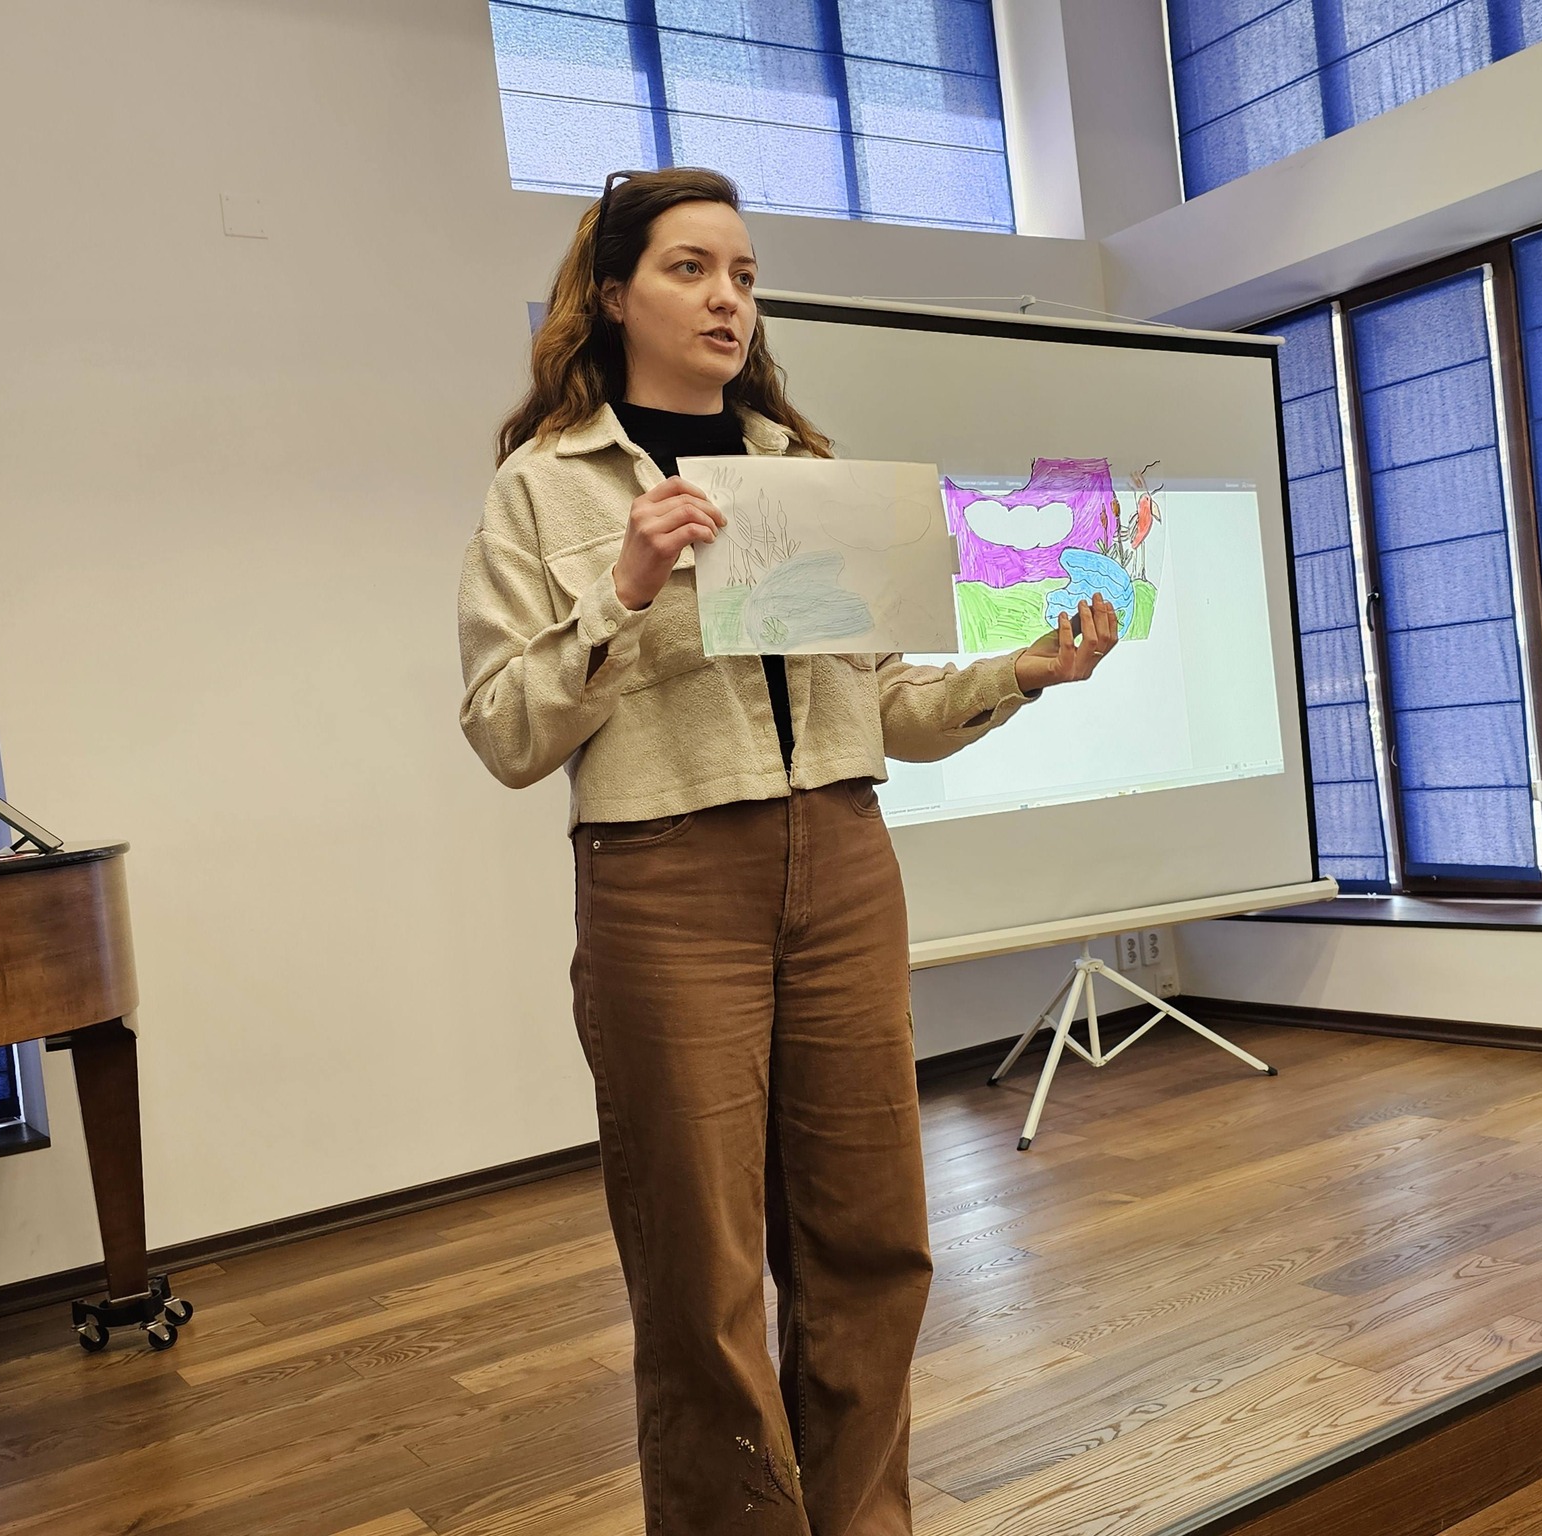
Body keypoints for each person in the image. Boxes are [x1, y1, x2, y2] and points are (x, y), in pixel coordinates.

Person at [456, 167, 1118, 1535]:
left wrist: (1020, 674)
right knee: (700, 1273)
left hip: (844, 864)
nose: (728, 300)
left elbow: (884, 710)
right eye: (692, 268)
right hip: (665, 879)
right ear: (613, 293)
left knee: (874, 1241)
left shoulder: (805, 475)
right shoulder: (544, 487)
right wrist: (623, 589)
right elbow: (507, 731)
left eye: (746, 277)